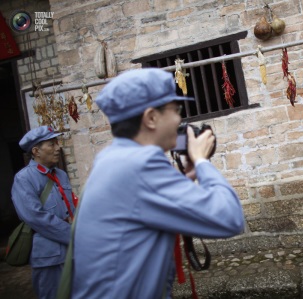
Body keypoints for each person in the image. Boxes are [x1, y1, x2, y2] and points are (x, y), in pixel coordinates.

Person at [71, 68, 245, 298]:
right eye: (176, 110)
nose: (180, 120)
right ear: (151, 118)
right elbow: (230, 218)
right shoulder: (141, 165)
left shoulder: (112, 157)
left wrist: (185, 178)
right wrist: (202, 162)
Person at [11, 126, 77, 298]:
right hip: (49, 256)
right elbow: (35, 217)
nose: (58, 148)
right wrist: (74, 236)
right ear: (36, 151)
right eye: (52, 144)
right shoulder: (24, 178)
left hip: (73, 252)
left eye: (57, 142)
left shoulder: (61, 175)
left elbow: (71, 207)